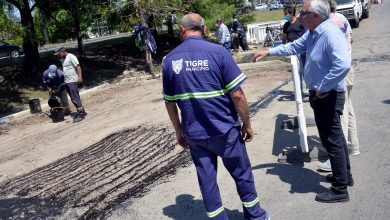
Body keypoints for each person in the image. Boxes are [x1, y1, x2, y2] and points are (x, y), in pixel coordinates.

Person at [162, 13, 269, 220]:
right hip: (225, 131)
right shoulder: (218, 52)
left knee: (207, 180)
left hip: (195, 135)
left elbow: (169, 102)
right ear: (204, 29)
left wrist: (179, 131)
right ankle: (255, 216)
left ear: (182, 31)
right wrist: (247, 124)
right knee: (242, 174)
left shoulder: (170, 60)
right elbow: (237, 94)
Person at [253, 0, 353, 203]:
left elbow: (343, 64)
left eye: (303, 13)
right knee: (336, 139)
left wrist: (323, 88)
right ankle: (344, 176)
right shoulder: (314, 33)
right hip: (322, 94)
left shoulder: (330, 33)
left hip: (328, 95)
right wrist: (269, 51)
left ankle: (340, 189)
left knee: (331, 141)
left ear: (316, 15)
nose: (299, 17)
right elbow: (294, 46)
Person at [318, 0, 360, 172]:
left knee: (339, 114)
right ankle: (354, 146)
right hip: (348, 67)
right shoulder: (343, 18)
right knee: (349, 108)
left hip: (339, 70)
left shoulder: (329, 23)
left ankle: (337, 158)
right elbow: (351, 39)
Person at [54, 47, 87, 123]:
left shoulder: (71, 57)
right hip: (67, 81)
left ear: (62, 51)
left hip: (73, 80)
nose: (58, 55)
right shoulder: (63, 59)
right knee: (73, 97)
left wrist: (80, 77)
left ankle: (81, 113)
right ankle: (81, 110)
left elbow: (78, 67)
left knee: (75, 97)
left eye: (59, 54)